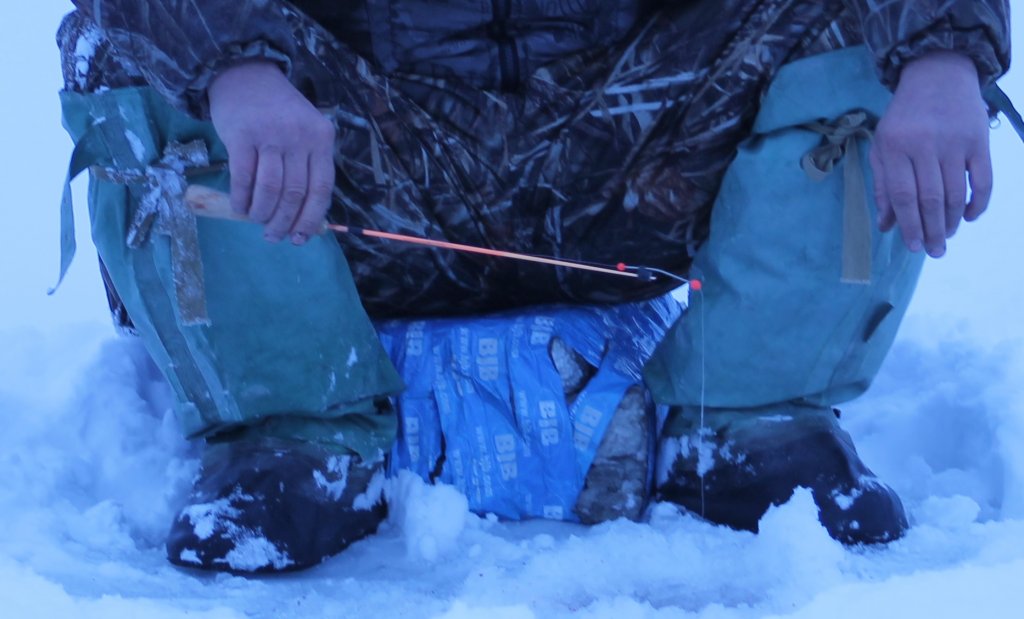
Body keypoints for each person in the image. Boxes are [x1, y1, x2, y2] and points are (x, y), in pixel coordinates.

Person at [57, 0, 1010, 573]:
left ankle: (744, 419)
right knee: (125, 44)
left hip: (628, 154)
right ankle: (293, 431)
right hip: (350, 166)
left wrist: (944, 52)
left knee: (884, 35)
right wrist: (237, 68)